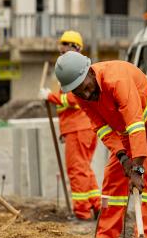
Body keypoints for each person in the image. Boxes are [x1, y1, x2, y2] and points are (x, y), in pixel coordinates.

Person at [54, 51, 147, 238]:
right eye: (77, 92)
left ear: (91, 73)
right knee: (112, 182)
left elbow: (135, 122)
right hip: (128, 131)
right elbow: (102, 128)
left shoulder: (117, 79)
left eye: (85, 87)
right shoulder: (81, 97)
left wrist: (137, 169)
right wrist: (122, 158)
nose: (85, 94)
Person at [38, 30, 101, 220]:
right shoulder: (75, 69)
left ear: (76, 48)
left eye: (66, 45)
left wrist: (50, 96)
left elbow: (72, 99)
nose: (62, 49)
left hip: (78, 129)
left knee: (77, 171)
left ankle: (82, 212)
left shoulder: (78, 70)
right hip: (81, 129)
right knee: (84, 169)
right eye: (61, 46)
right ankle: (98, 206)